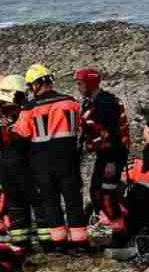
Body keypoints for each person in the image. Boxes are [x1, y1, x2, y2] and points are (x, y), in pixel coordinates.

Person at [12, 65, 91, 254]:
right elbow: (82, 129)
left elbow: (20, 137)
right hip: (69, 162)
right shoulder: (71, 103)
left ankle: (59, 244)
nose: (31, 90)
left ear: (37, 84)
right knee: (73, 202)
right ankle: (80, 243)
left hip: (43, 165)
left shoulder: (30, 109)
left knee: (50, 203)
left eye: (31, 86)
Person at [76, 68, 132, 239]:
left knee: (106, 194)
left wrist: (90, 145)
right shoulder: (91, 102)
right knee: (95, 191)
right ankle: (108, 223)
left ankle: (119, 232)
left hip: (113, 154)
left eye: (80, 84)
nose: (78, 87)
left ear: (90, 84)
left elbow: (111, 135)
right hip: (105, 154)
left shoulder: (106, 103)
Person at [0, 75, 38, 250]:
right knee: (36, 203)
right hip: (24, 164)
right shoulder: (27, 111)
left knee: (16, 204)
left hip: (8, 166)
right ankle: (42, 241)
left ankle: (21, 242)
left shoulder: (9, 113)